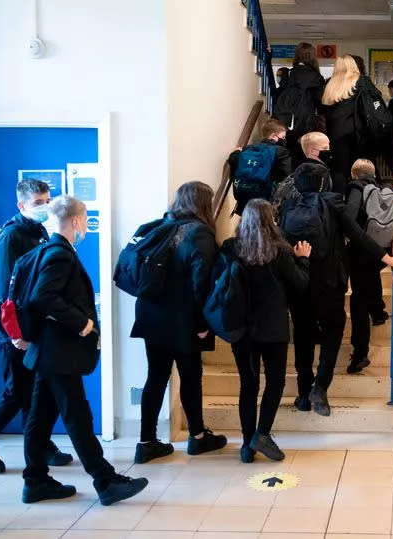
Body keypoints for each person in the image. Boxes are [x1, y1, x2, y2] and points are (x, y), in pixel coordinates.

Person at [21, 195, 148, 506]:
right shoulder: (60, 254)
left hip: (48, 351)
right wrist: (83, 324)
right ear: (77, 221)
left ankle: (35, 481)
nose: (87, 224)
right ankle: (105, 481)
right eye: (87, 218)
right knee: (78, 417)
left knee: (40, 417)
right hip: (59, 352)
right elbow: (43, 296)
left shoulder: (45, 249)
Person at [0, 179, 72, 474]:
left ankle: (39, 444)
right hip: (14, 329)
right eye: (38, 202)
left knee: (33, 389)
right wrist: (16, 334)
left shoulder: (38, 231)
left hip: (31, 325)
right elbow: (5, 293)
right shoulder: (11, 238)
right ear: (21, 205)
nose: (45, 206)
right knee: (18, 390)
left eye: (47, 200)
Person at [279, 163, 393, 417]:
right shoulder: (333, 203)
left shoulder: (287, 206)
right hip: (329, 281)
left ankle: (303, 393)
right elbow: (357, 234)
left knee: (302, 333)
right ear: (323, 183)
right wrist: (387, 258)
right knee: (333, 329)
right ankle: (321, 388)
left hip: (297, 280)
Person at [131, 181, 227, 464]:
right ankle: (197, 438)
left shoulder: (157, 226)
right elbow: (201, 283)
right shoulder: (200, 234)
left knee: (156, 377)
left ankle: (146, 442)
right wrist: (202, 323)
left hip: (151, 316)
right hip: (183, 320)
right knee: (190, 377)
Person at [221, 200, 311, 463]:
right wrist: (303, 260)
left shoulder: (231, 248)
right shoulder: (280, 250)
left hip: (241, 330)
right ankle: (262, 433)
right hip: (273, 329)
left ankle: (247, 446)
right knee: (276, 382)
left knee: (248, 385)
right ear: (271, 219)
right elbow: (300, 286)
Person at [345, 160, 393, 373]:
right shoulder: (386, 191)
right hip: (383, 250)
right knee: (370, 279)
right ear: (374, 174)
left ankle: (360, 353)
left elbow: (349, 217)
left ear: (354, 174)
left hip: (363, 251)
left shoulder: (356, 188)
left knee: (358, 301)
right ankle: (379, 313)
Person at [321, 55, 383, 195]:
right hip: (359, 133)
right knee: (363, 168)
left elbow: (325, 110)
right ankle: (364, 199)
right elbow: (375, 101)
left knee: (339, 170)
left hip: (336, 134)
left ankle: (339, 202)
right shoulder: (362, 82)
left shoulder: (330, 84)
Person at [274, 43, 325, 168]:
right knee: (307, 155)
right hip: (308, 122)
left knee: (289, 155)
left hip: (287, 121)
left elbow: (279, 96)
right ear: (312, 57)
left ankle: (288, 184)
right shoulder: (317, 77)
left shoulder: (288, 75)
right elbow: (321, 102)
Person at [227, 119, 293, 215]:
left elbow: (233, 160)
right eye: (283, 137)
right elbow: (287, 176)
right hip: (266, 201)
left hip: (243, 200)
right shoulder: (281, 152)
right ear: (274, 136)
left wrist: (236, 152)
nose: (284, 140)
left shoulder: (247, 149)